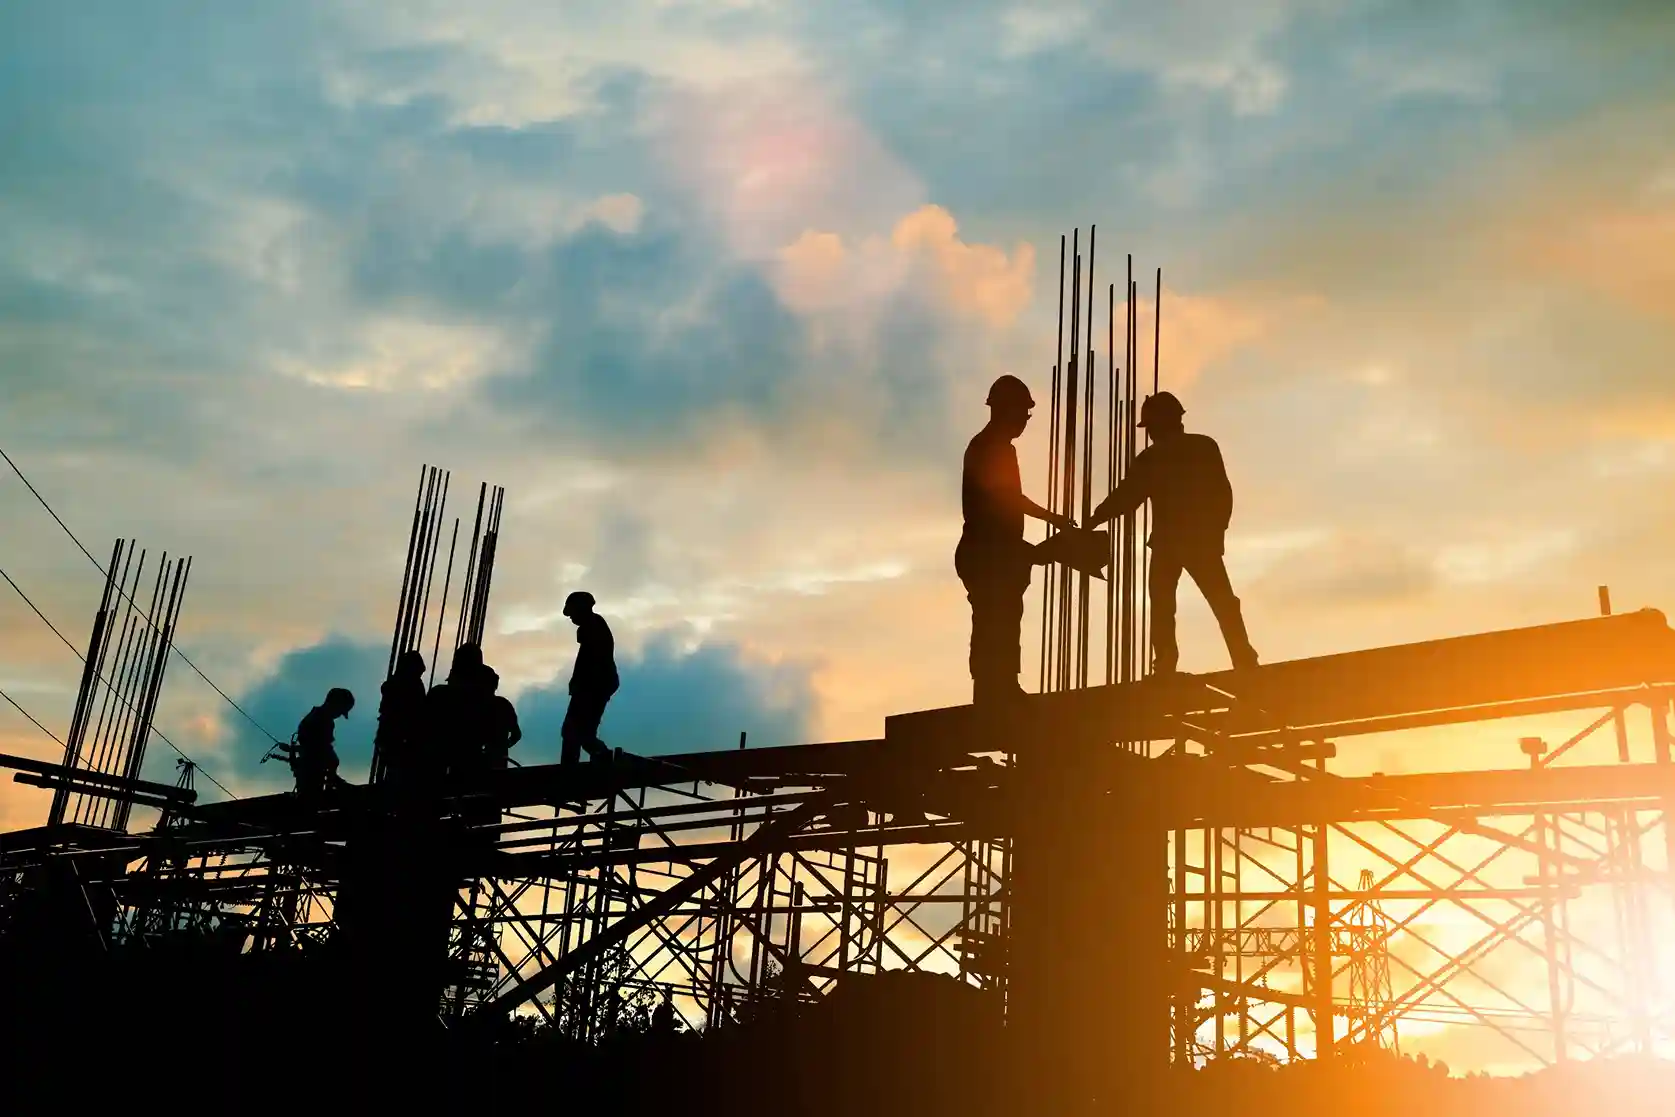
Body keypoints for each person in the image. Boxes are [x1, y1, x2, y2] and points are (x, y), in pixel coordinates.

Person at [1088, 391, 1259, 675]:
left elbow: (1128, 496)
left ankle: (1168, 662)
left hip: (1176, 542)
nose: (1150, 433)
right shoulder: (1201, 447)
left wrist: (1096, 517)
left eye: (1151, 426)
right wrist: (1217, 533)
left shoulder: (1155, 457)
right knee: (1216, 601)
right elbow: (1222, 493)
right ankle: (1242, 657)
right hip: (1192, 540)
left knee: (1166, 603)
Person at [956, 375, 1073, 705]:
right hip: (987, 553)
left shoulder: (998, 448)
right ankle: (992, 693)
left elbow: (1009, 500)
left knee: (1004, 618)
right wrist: (1048, 527)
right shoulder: (989, 448)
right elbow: (1004, 501)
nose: (1025, 420)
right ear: (1005, 410)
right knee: (995, 619)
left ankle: (1002, 688)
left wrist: (1050, 525)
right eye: (1022, 413)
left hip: (996, 552)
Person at [561, 591, 618, 764]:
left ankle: (571, 770)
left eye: (573, 614)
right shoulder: (594, 625)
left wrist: (579, 684)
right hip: (596, 685)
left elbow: (589, 661)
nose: (571, 619)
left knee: (573, 731)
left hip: (593, 686)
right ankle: (601, 758)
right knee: (581, 733)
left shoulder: (592, 627)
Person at [287, 687, 354, 800]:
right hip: (312, 775)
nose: (339, 715)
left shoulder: (313, 719)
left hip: (310, 774)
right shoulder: (323, 721)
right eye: (340, 711)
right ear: (335, 704)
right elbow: (322, 752)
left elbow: (313, 749)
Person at [373, 650, 427, 787]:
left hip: (392, 738)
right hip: (401, 739)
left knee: (395, 772)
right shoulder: (411, 686)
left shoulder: (394, 685)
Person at [482, 666, 522, 772]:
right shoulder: (503, 704)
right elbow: (516, 735)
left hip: (492, 761)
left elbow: (516, 735)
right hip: (497, 760)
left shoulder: (473, 706)